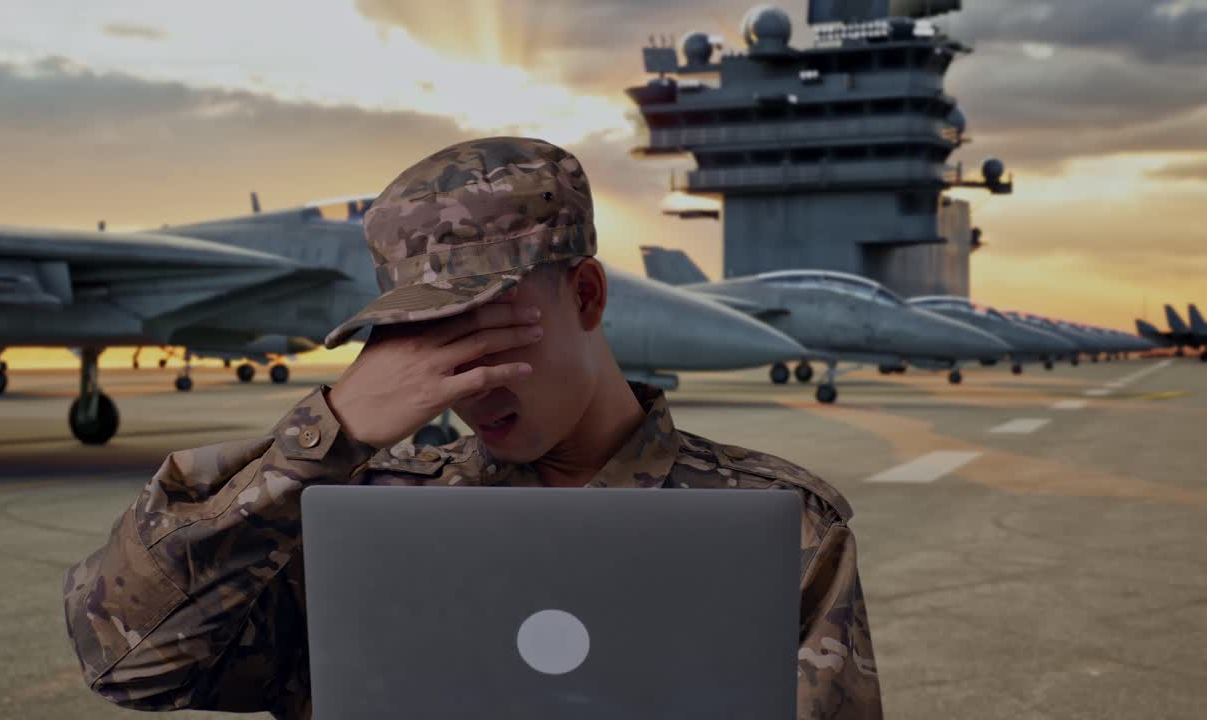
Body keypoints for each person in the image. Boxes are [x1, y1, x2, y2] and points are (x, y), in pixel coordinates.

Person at [63, 137, 883, 719]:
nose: (462, 383)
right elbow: (131, 665)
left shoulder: (776, 525)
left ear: (587, 297)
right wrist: (327, 433)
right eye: (423, 340)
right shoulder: (362, 516)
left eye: (486, 331)